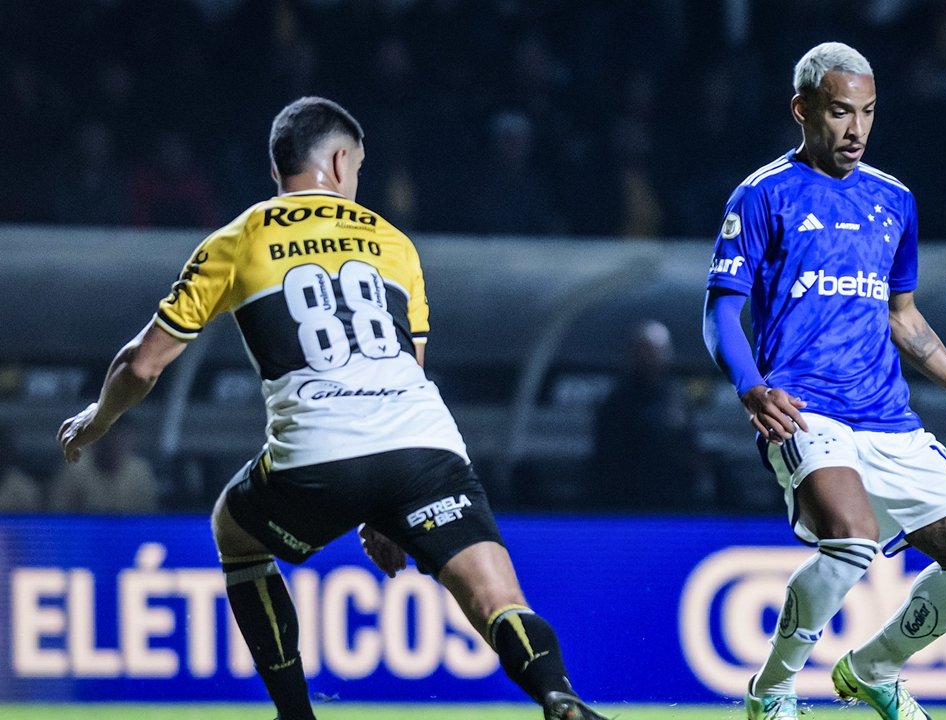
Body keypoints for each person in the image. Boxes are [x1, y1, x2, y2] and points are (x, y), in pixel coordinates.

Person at [57, 97, 607, 720]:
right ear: (342, 160)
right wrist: (387, 514)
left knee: (233, 532)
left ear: (277, 170)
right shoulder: (394, 243)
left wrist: (97, 419)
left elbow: (141, 365)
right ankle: (558, 695)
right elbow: (409, 367)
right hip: (424, 444)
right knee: (499, 599)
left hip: (318, 453)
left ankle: (296, 715)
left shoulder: (239, 238)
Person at [702, 43, 946, 720]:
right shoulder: (762, 195)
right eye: (840, 112)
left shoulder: (892, 200)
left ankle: (872, 668)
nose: (856, 130)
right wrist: (751, 386)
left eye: (867, 112)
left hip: (887, 417)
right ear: (802, 110)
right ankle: (772, 691)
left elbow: (904, 319)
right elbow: (720, 309)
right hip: (805, 409)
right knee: (855, 538)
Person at [591, 319, 709, 510]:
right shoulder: (616, 402)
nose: (647, 358)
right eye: (641, 351)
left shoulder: (676, 399)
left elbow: (689, 444)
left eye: (653, 351)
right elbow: (608, 455)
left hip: (671, 499)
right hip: (626, 499)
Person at [49, 418, 160, 513]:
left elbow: (149, 519)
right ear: (97, 440)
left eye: (121, 438)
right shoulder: (75, 470)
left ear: (131, 441)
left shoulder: (141, 472)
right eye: (109, 438)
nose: (115, 444)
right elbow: (58, 515)